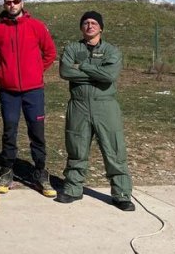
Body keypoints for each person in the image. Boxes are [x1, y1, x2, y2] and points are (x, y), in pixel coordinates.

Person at [56, 11, 135, 211]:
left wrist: (81, 66)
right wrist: (96, 72)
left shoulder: (112, 50)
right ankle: (73, 188)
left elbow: (109, 76)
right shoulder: (72, 48)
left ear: (101, 27)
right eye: (85, 23)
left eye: (93, 23)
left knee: (114, 149)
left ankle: (122, 194)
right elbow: (65, 71)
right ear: (81, 27)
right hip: (79, 104)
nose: (89, 26)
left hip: (105, 105)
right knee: (76, 148)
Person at [0, 0, 57, 197]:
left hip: (33, 90)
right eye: (8, 2)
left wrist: (35, 71)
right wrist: (3, 71)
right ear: (4, 5)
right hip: (9, 92)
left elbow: (50, 53)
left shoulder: (36, 26)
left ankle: (41, 172)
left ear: (22, 3)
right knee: (9, 131)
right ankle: (7, 171)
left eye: (15, 1)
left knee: (37, 131)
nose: (12, 5)